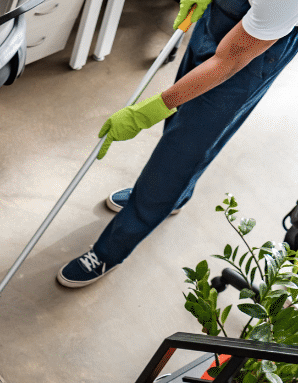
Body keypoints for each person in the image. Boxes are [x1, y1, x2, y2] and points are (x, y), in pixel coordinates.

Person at [57, 0, 298, 287]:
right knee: (183, 118)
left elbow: (228, 62)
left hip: (254, 53)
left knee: (180, 153)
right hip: (229, 16)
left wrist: (149, 111)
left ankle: (109, 252)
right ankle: (175, 196)